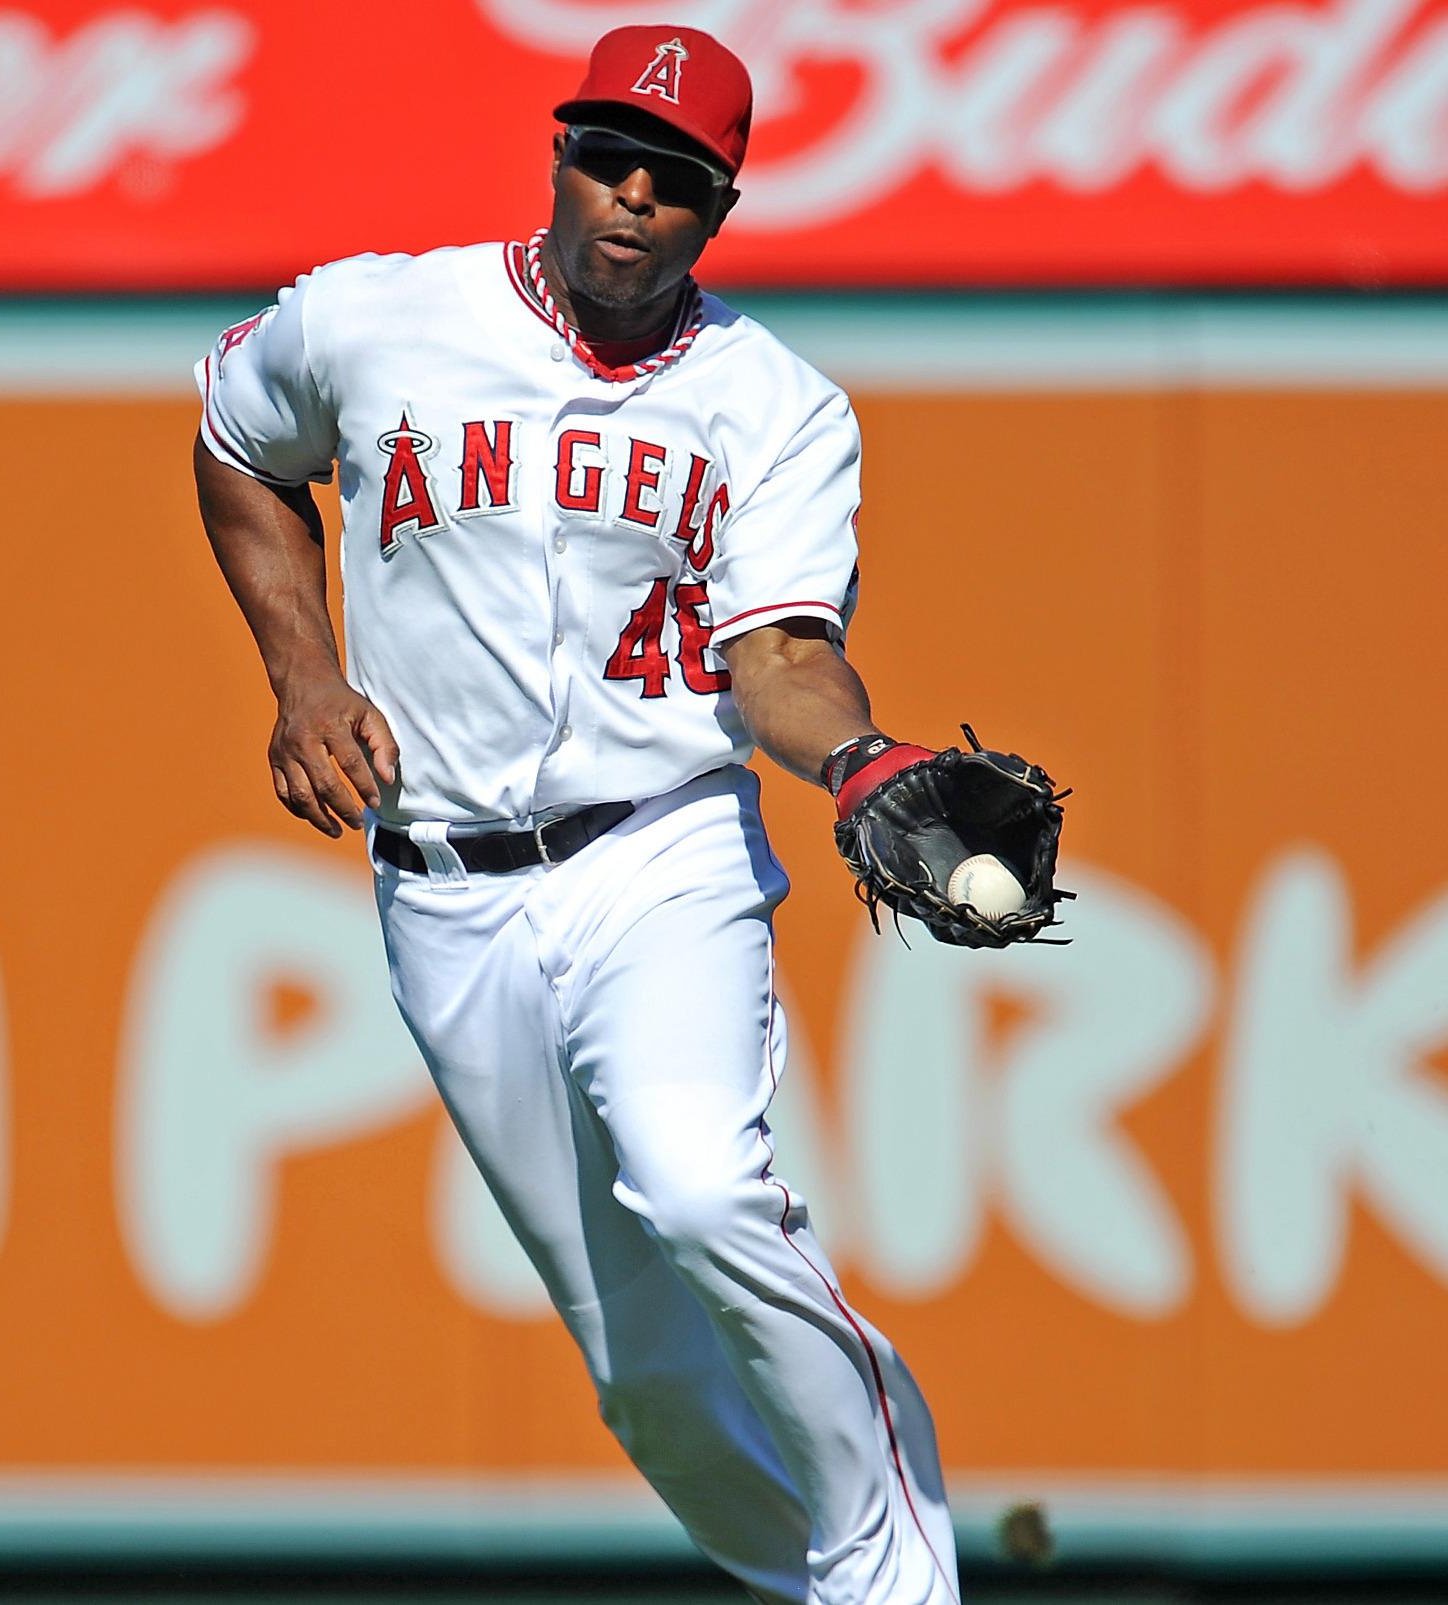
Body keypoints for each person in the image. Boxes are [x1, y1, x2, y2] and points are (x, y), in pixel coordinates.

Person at [189, 24, 965, 1605]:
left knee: (699, 1181)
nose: (630, 195)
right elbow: (232, 442)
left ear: (718, 208)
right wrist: (304, 676)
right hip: (446, 890)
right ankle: (816, 1576)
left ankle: (897, 1585)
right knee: (650, 1386)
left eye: (672, 179)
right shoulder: (379, 318)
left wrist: (866, 762)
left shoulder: (777, 406)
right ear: (557, 152)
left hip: (657, 850)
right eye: (608, 156)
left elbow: (782, 661)